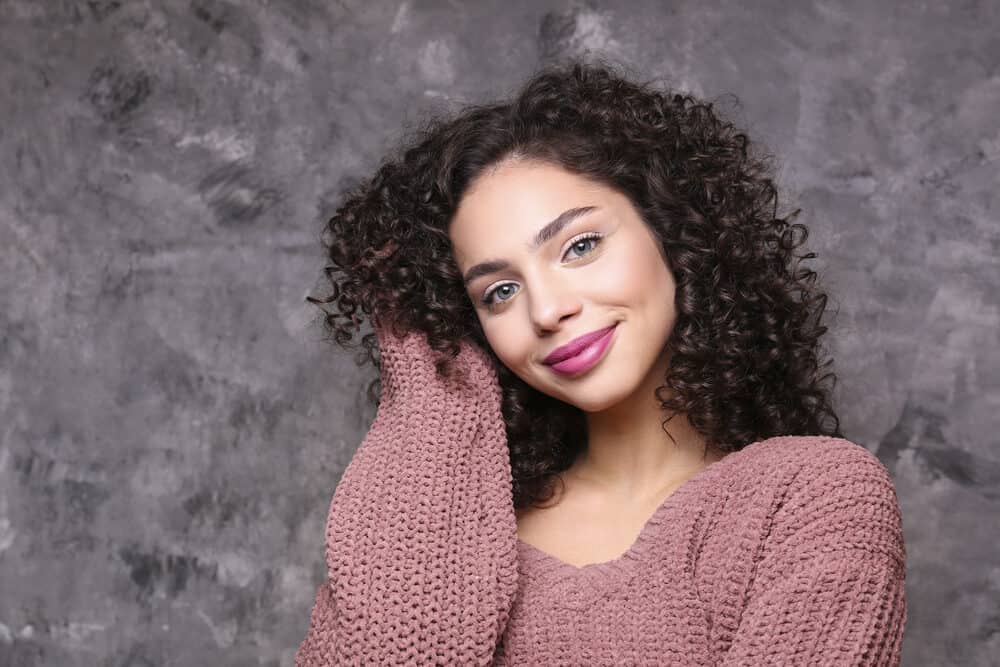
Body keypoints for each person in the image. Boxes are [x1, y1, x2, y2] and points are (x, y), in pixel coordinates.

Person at [295, 58, 907, 666]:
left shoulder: (812, 497)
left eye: (580, 246)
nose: (547, 309)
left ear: (673, 230)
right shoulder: (435, 546)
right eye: (498, 292)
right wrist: (430, 383)